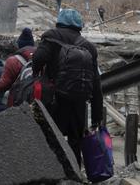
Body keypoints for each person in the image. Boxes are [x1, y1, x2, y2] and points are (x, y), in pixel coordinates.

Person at [32, 9, 103, 166]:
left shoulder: (51, 37)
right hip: (79, 102)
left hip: (55, 99)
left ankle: (52, 171)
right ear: (79, 25)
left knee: (51, 136)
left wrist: (37, 75)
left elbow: (38, 59)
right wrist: (97, 115)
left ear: (59, 21)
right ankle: (75, 173)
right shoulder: (89, 47)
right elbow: (96, 83)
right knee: (75, 141)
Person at [0, 28, 36, 101]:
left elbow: (4, 84)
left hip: (19, 100)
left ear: (20, 44)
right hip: (39, 99)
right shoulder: (42, 56)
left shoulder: (13, 61)